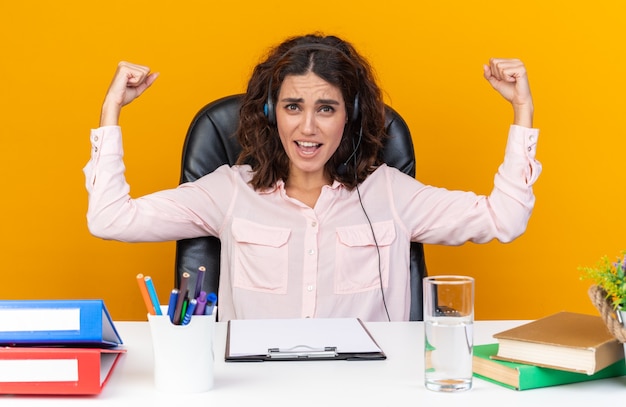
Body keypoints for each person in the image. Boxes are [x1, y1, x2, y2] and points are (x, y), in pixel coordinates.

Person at [85, 33, 541, 322]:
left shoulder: (391, 193)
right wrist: (111, 112)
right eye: (292, 107)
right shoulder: (229, 191)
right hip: (254, 390)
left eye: (326, 108)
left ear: (352, 116)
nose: (307, 128)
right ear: (270, 114)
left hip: (366, 389)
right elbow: (109, 219)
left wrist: (522, 111)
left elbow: (505, 219)